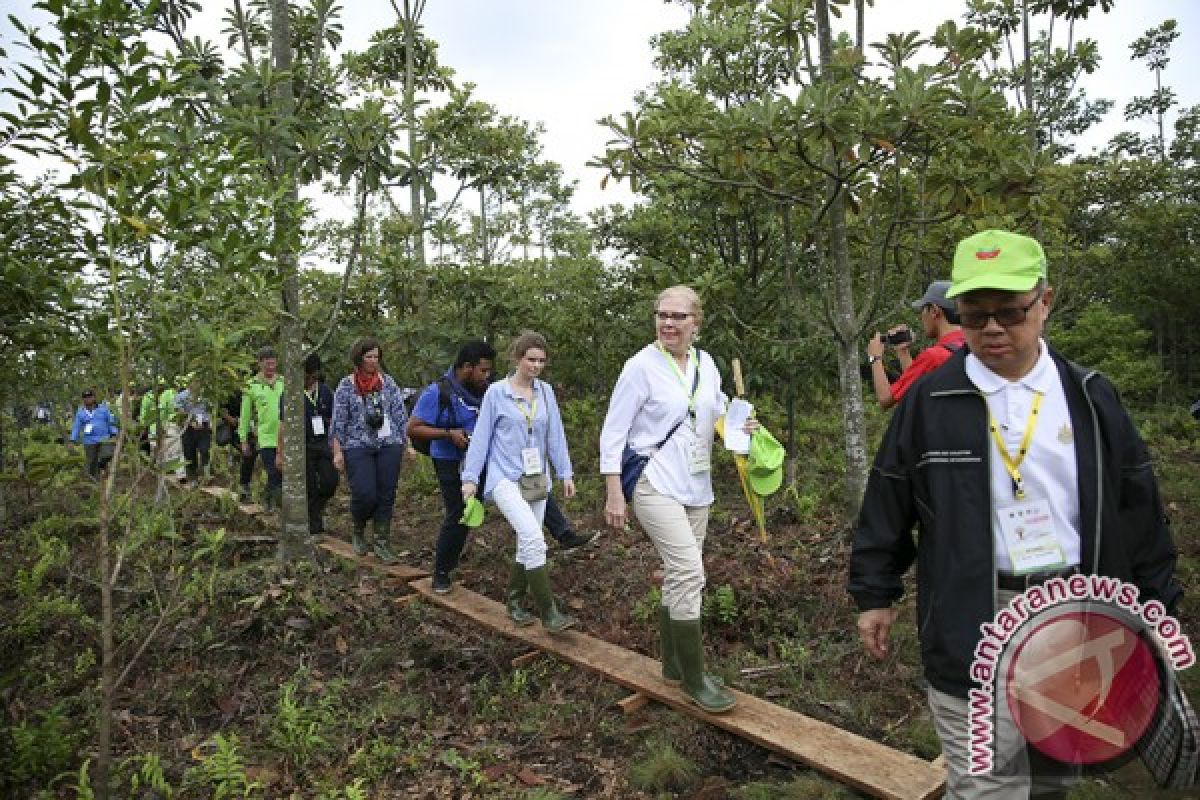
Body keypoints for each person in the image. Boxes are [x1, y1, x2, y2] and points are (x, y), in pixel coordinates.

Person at [848, 230, 1182, 798]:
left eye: (1010, 312)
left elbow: (1137, 509)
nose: (993, 329)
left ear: (1045, 302)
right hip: (971, 614)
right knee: (986, 785)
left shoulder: (1089, 396)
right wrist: (875, 593)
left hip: (1075, 612)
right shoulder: (933, 401)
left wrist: (1157, 607)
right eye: (975, 317)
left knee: (1052, 772)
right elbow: (889, 497)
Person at [599, 286, 757, 714]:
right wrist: (615, 491)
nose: (668, 323)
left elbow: (717, 410)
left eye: (678, 316)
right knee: (690, 571)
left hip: (697, 483)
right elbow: (614, 431)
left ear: (696, 323)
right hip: (653, 481)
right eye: (661, 315)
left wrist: (743, 423)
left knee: (678, 573)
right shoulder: (640, 367)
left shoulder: (707, 365)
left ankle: (673, 663)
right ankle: (693, 677)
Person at [461, 331, 577, 633]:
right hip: (504, 477)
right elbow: (482, 437)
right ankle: (549, 613)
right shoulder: (497, 392)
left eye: (541, 361)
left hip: (536, 479)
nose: (536, 366)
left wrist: (565, 472)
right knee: (533, 537)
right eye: (531, 360)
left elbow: (555, 435)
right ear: (517, 358)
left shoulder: (545, 392)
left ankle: (513, 601)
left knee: (529, 541)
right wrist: (470, 478)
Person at [407, 339, 496, 593]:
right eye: (483, 370)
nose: (486, 376)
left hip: (477, 460)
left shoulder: (487, 393)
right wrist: (449, 434)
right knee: (457, 512)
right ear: (467, 367)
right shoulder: (438, 392)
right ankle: (441, 573)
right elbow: (413, 428)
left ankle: (449, 562)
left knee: (470, 513)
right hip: (447, 458)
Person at [330, 336, 409, 563]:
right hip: (357, 444)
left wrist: (407, 444)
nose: (373, 361)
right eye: (369, 357)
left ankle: (382, 542)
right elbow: (338, 422)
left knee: (387, 493)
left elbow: (399, 415)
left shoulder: (388, 383)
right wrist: (337, 451)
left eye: (376, 357)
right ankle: (358, 528)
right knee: (365, 493)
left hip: (388, 443)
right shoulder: (346, 386)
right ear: (359, 358)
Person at [866, 279, 965, 410]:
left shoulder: (934, 356)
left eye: (923, 310)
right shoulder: (972, 347)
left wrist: (875, 358)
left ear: (934, 311)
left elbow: (885, 399)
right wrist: (903, 351)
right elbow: (916, 386)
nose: (921, 317)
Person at [276, 353, 338, 536]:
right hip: (302, 446)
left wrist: (337, 450)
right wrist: (280, 452)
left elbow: (334, 422)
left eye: (310, 376)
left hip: (323, 444)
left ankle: (315, 510)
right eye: (304, 375)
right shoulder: (290, 394)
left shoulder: (326, 392)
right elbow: (283, 425)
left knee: (330, 482)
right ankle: (315, 526)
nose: (307, 379)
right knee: (309, 486)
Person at [239, 347, 284, 510]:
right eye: (267, 364)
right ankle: (268, 502)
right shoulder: (251, 385)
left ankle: (271, 501)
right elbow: (245, 415)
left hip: (283, 435)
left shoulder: (283, 382)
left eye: (273, 364)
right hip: (265, 436)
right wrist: (243, 439)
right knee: (272, 471)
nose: (271, 367)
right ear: (260, 364)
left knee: (281, 474)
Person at [69, 389, 119, 480]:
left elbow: (111, 421)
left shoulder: (103, 409)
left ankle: (102, 466)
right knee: (91, 461)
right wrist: (72, 440)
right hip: (89, 440)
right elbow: (76, 426)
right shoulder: (80, 412)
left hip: (104, 438)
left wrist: (114, 433)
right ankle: (93, 480)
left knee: (107, 454)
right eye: (85, 397)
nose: (87, 399)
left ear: (94, 397)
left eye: (89, 397)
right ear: (83, 399)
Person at [220, 382, 257, 502]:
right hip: (235, 430)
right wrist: (232, 420)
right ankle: (243, 490)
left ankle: (245, 487)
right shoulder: (229, 393)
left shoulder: (254, 390)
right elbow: (222, 411)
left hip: (253, 429)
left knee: (251, 456)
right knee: (248, 454)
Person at [174, 375, 212, 485]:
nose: (197, 384)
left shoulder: (205, 396)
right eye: (194, 382)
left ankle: (206, 474)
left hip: (203, 426)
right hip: (188, 427)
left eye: (198, 382)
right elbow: (178, 411)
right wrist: (190, 421)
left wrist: (208, 422)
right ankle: (193, 477)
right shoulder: (182, 396)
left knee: (205, 449)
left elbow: (208, 409)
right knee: (189, 453)